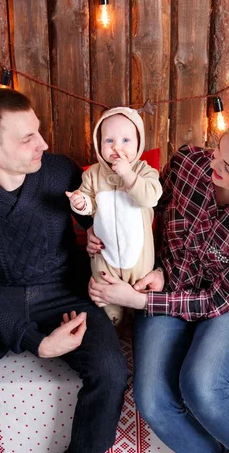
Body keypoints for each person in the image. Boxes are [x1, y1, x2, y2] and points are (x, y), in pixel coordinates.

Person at [0, 87, 129, 453]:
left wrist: (96, 226)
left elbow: (101, 210)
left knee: (111, 371)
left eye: (39, 131)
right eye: (28, 137)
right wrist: (38, 343)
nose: (43, 144)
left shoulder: (59, 171)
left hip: (65, 289)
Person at [87, 117, 229, 453]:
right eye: (218, 149)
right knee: (153, 400)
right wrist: (99, 230)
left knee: (202, 387)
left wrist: (139, 301)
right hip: (166, 288)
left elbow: (214, 301)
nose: (212, 163)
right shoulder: (189, 163)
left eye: (228, 167)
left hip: (225, 307)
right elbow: (145, 213)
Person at [66, 107, 162, 325]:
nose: (117, 147)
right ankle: (113, 321)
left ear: (139, 143)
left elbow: (150, 198)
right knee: (105, 297)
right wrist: (81, 203)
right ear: (99, 145)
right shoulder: (92, 174)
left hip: (139, 263)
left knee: (141, 298)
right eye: (109, 140)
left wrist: (127, 174)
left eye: (126, 140)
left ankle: (137, 318)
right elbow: (89, 204)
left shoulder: (145, 171)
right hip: (104, 259)